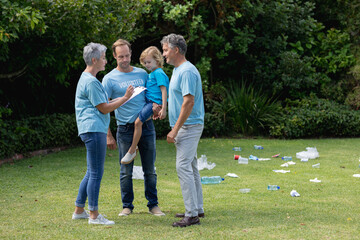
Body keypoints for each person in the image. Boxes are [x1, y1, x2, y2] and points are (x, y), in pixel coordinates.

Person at [73, 42, 134, 225]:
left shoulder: (88, 79)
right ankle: (94, 215)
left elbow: (103, 103)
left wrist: (123, 97)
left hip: (91, 129)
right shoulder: (90, 81)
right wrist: (124, 98)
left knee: (91, 172)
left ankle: (79, 210)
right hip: (94, 130)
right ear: (94, 60)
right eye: (104, 58)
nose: (106, 61)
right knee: (96, 173)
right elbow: (104, 108)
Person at [102, 39, 165, 217]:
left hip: (146, 126)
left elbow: (153, 95)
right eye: (120, 56)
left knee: (150, 169)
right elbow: (103, 107)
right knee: (125, 171)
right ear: (114, 56)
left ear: (131, 53)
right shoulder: (109, 79)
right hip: (124, 129)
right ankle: (127, 206)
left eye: (127, 55)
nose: (125, 59)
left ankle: (153, 205)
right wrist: (108, 135)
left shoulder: (143, 74)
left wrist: (157, 107)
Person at [161, 34, 205, 227]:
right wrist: (162, 109)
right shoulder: (179, 70)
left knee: (183, 167)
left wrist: (175, 130)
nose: (163, 54)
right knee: (191, 167)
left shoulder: (187, 71)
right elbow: (179, 99)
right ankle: (197, 209)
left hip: (189, 126)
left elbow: (189, 102)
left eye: (165, 50)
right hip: (186, 125)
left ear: (176, 49)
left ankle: (192, 214)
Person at [120, 46, 169, 164]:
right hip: (149, 103)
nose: (146, 65)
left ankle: (132, 150)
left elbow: (164, 90)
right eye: (145, 62)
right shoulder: (152, 73)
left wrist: (163, 108)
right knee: (139, 121)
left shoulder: (158, 73)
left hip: (153, 103)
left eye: (149, 62)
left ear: (157, 60)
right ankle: (135, 146)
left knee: (138, 123)